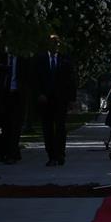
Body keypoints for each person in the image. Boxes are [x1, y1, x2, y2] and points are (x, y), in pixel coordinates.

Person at [33, 34, 77, 167]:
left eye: (57, 43)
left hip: (60, 100)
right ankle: (51, 155)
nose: (55, 45)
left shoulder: (65, 60)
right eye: (52, 43)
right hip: (45, 100)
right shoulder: (40, 60)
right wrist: (39, 94)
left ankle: (60, 154)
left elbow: (71, 80)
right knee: (47, 129)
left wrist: (71, 99)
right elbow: (35, 78)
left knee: (60, 128)